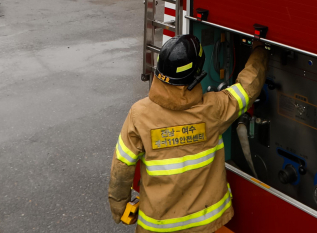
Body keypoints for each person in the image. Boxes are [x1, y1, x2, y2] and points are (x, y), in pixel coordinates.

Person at [108, 35, 270, 232]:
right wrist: (260, 50)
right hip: (207, 225)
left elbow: (122, 165)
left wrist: (120, 208)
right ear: (196, 76)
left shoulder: (139, 114)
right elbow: (247, 89)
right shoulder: (213, 109)